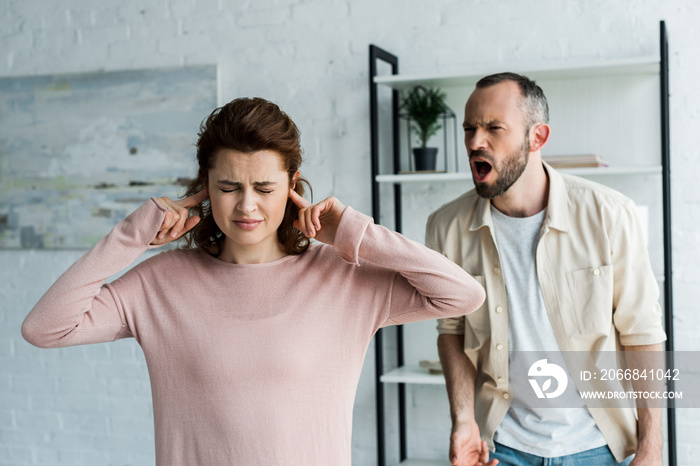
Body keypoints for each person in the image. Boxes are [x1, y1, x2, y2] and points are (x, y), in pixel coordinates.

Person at [22, 97, 486, 466]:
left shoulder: (344, 278)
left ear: (292, 185)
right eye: (228, 188)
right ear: (204, 186)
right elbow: (45, 328)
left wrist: (354, 232)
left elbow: (463, 294)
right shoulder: (160, 282)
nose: (247, 206)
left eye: (264, 189)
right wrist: (134, 233)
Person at [426, 73, 666, 466]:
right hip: (499, 448)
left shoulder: (610, 215)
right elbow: (452, 332)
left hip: (600, 449)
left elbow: (643, 334)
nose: (474, 142)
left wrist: (652, 448)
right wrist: (463, 418)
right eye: (469, 128)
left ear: (537, 137)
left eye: (493, 128)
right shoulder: (445, 227)